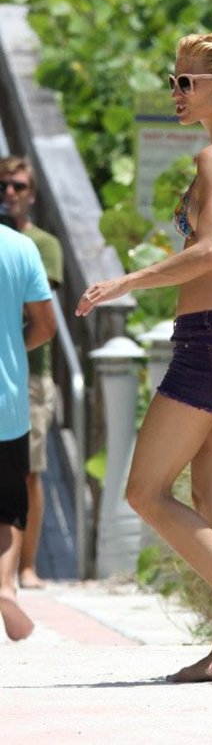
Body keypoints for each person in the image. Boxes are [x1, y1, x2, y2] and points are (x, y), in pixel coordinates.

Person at [76, 32, 212, 682]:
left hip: (211, 341)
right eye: (172, 81)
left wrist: (126, 282)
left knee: (144, 490)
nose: (176, 92)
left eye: (187, 82)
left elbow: (210, 251)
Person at [0, 156, 64, 590]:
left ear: (32, 194)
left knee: (30, 472)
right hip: (14, 369)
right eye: (3, 185)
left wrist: (8, 349)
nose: (10, 193)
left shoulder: (42, 244)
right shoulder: (20, 248)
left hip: (33, 373)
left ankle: (27, 565)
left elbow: (38, 312)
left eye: (18, 186)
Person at [0, 220, 56, 640]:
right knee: (8, 507)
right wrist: (12, 351)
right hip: (7, 401)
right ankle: (5, 586)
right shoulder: (20, 247)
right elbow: (46, 326)